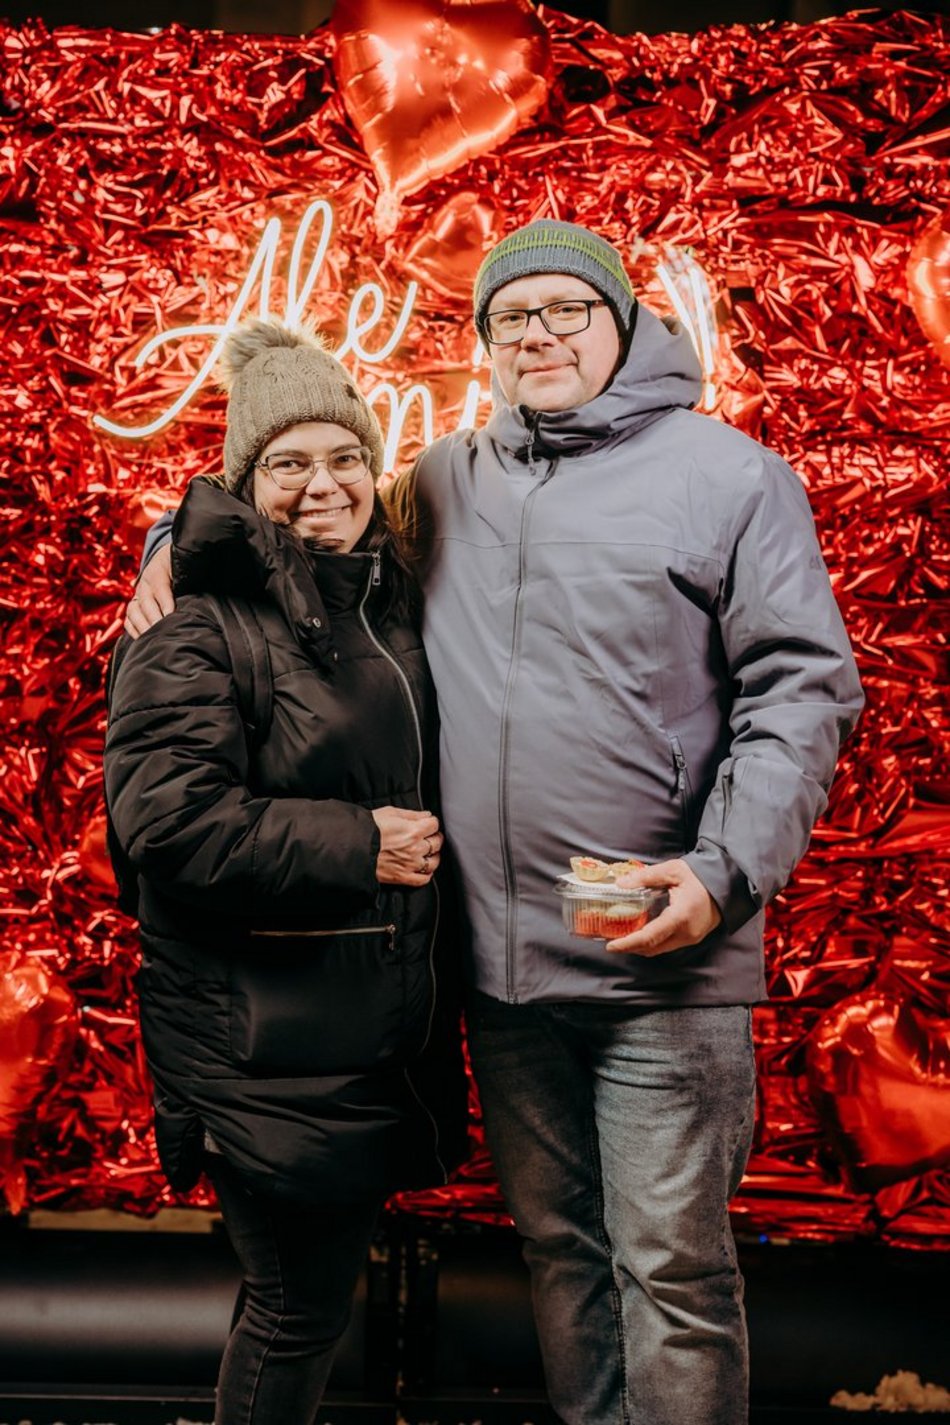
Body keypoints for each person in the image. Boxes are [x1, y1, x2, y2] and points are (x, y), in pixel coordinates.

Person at [126, 220, 864, 1425]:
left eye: (566, 309)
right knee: (562, 1257)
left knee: (671, 1271)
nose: (539, 336)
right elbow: (303, 515)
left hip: (662, 957)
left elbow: (804, 688)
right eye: (510, 318)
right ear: (484, 345)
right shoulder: (448, 479)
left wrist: (722, 872)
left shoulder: (728, 475)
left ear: (623, 322)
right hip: (501, 971)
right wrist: (171, 539)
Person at [104, 319, 467, 1425]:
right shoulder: (199, 625)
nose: (324, 484)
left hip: (348, 1033)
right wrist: (361, 844)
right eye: (287, 463)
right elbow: (163, 822)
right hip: (260, 1038)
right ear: (243, 482)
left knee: (299, 1305)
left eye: (344, 455)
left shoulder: (381, 603)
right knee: (295, 1309)